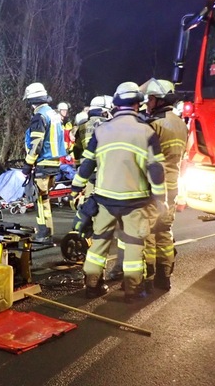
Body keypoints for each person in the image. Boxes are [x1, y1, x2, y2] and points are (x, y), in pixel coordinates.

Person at [70, 81, 167, 303]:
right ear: (137, 104)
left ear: (116, 104)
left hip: (104, 199)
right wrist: (161, 198)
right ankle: (133, 290)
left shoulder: (102, 130)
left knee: (99, 242)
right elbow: (156, 170)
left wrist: (76, 187)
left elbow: (87, 164)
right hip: (135, 201)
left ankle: (92, 285)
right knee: (133, 244)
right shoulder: (146, 132)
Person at [139, 78, 188, 291]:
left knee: (148, 232)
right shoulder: (180, 124)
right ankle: (164, 277)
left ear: (158, 100)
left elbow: (143, 159)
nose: (147, 104)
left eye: (150, 99)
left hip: (153, 188)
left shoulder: (153, 125)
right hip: (172, 187)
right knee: (164, 231)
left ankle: (148, 278)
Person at [22, 82, 67, 243]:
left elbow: (36, 143)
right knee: (46, 198)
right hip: (55, 163)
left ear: (31, 101)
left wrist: (27, 164)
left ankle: (44, 233)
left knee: (40, 201)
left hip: (43, 162)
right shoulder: (53, 114)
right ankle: (48, 231)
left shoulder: (39, 116)